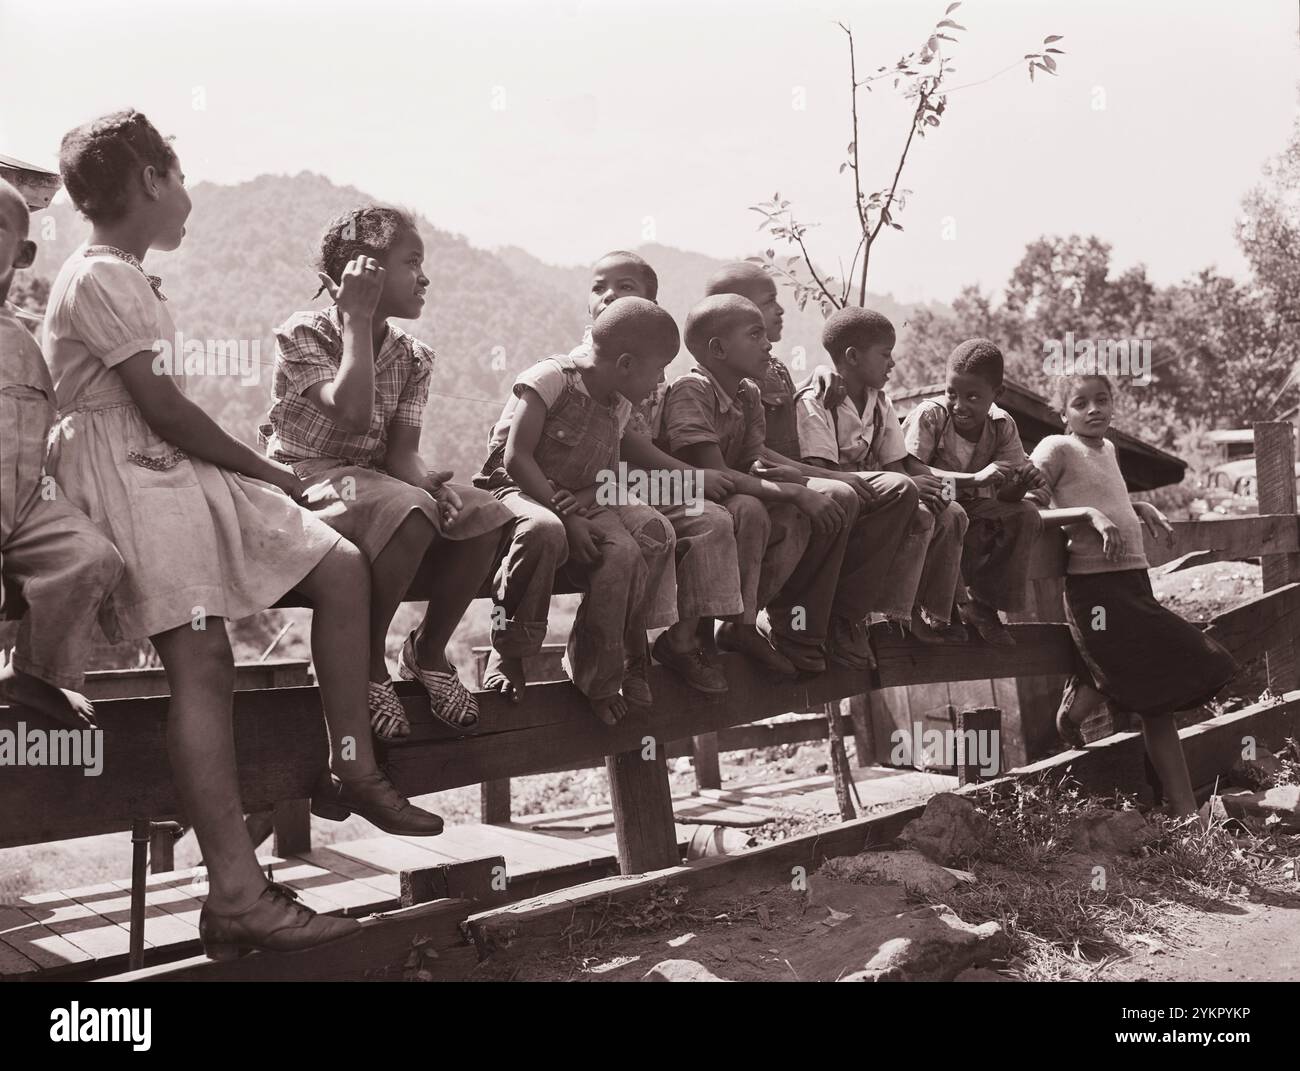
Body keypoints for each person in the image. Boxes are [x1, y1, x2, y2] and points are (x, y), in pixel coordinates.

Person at [45, 110, 442, 961]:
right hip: (130, 470)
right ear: (152, 178)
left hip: (167, 464)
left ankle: (351, 761)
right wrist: (262, 470)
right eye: (179, 176)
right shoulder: (98, 277)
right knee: (204, 656)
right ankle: (236, 891)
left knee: (338, 566)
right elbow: (160, 408)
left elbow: (166, 415)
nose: (186, 194)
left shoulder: (129, 276)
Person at [263, 205, 511, 738]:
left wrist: (426, 483)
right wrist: (356, 317)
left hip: (376, 483)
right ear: (363, 273)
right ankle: (367, 663)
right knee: (411, 509)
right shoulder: (304, 333)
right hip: (304, 478)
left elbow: (401, 453)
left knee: (485, 513)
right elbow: (351, 415)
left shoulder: (413, 355)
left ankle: (427, 652)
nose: (424, 277)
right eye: (412, 262)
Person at [1027, 373, 1237, 816]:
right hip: (1095, 590)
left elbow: (1108, 494)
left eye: (1101, 400)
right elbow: (1029, 506)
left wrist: (1141, 508)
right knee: (1176, 671)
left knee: (1155, 697)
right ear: (1062, 413)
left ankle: (1182, 811)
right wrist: (1087, 516)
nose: (1093, 410)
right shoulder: (1055, 448)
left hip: (1133, 582)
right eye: (1080, 403)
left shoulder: (1109, 449)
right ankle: (1089, 698)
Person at [474, 296, 680, 725]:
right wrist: (565, 516)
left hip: (582, 500)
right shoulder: (550, 378)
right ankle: (511, 651)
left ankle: (599, 676)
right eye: (658, 368)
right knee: (543, 531)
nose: (661, 380)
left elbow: (603, 479)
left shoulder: (619, 404)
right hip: (521, 490)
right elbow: (516, 459)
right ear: (625, 363)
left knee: (624, 555)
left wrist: (581, 507)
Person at [0, 175, 124, 728]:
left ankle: (33, 672)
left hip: (27, 505)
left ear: (22, 253)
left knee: (92, 558)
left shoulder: (28, 338)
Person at [795, 306, 960, 644]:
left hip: (878, 492)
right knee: (908, 495)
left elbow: (896, 464)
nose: (892, 363)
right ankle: (879, 616)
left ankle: (922, 610)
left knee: (950, 512)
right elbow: (825, 474)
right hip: (840, 495)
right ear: (853, 357)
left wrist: (929, 485)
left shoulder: (879, 401)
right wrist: (909, 483)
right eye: (885, 354)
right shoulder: (817, 401)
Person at [903, 338, 1046, 645]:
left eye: (972, 397)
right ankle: (942, 611)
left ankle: (982, 606)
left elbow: (1007, 497)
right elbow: (912, 470)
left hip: (973, 512)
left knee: (1026, 514)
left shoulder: (1002, 425)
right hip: (931, 507)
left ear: (997, 394)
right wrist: (975, 479)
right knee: (950, 514)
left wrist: (1021, 482)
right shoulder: (930, 416)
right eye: (951, 392)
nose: (959, 405)